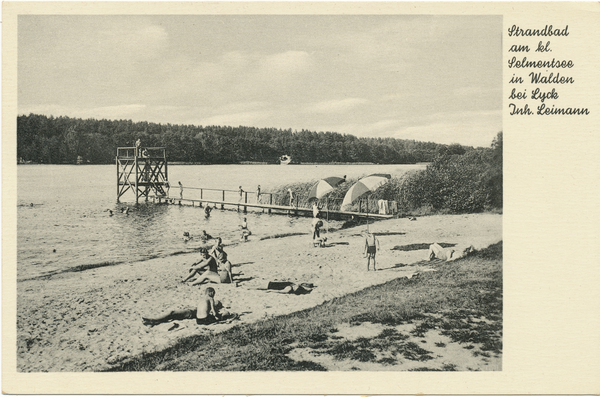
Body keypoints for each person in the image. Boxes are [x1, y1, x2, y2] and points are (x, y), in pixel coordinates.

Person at [142, 287, 227, 326]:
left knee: (172, 313)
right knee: (172, 314)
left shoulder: (207, 302)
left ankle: (155, 320)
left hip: (190, 313)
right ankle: (155, 320)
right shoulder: (209, 303)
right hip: (191, 312)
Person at [248, 280, 315, 295]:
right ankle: (248, 287)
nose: (296, 285)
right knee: (256, 286)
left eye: (296, 287)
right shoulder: (293, 285)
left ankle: (248, 288)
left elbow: (280, 291)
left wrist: (271, 290)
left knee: (256, 287)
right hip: (272, 283)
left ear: (295, 289)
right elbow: (302, 284)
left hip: (271, 286)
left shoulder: (289, 288)